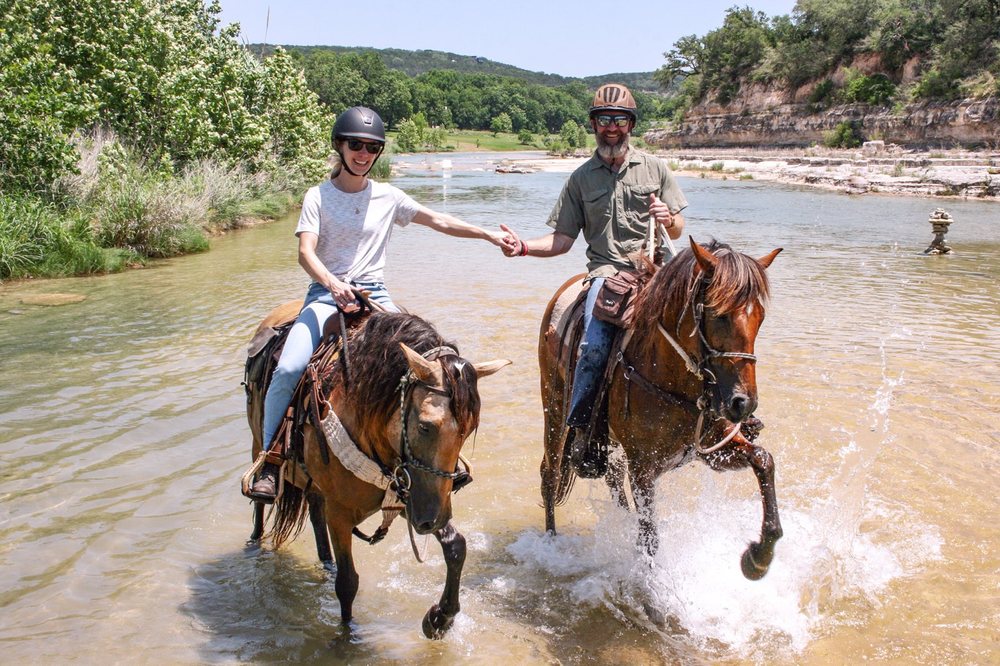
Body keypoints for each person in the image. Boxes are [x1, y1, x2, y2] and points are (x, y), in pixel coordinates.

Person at [250, 106, 508, 501]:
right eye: (356, 145)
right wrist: (332, 284)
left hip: (376, 296)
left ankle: (431, 458)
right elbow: (306, 252)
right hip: (326, 294)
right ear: (340, 145)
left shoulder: (388, 196)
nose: (363, 153)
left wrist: (487, 234)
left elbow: (438, 220)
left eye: (372, 147)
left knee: (430, 366)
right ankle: (270, 458)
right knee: (288, 366)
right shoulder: (317, 196)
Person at [498, 83, 688, 477]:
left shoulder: (656, 169)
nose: (612, 128)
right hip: (608, 273)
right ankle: (584, 432)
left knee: (709, 322)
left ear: (631, 125)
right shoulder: (580, 180)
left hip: (660, 269)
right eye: (604, 120)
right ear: (594, 125)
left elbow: (679, 228)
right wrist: (522, 247)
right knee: (594, 345)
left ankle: (724, 418)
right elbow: (562, 240)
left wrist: (667, 219)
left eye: (619, 120)